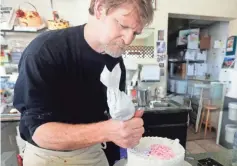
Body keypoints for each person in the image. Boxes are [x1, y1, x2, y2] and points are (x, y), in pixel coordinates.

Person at [13, 0, 154, 165]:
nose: (129, 40)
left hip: (93, 150)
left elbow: (109, 113)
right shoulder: (45, 51)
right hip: (47, 155)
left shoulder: (114, 62)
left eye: (136, 33)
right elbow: (39, 132)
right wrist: (107, 131)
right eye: (123, 26)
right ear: (100, 9)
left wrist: (124, 123)